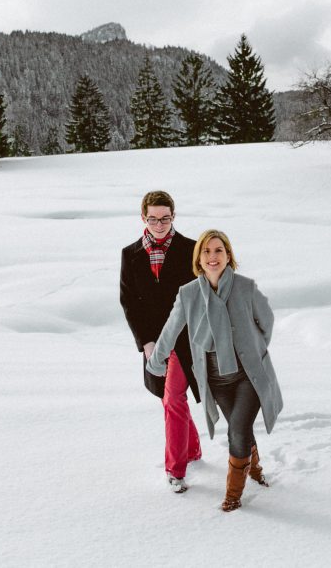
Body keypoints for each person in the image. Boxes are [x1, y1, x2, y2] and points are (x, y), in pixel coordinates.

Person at [146, 229, 283, 512]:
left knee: (237, 430)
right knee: (239, 427)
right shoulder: (188, 294)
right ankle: (255, 467)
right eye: (206, 251)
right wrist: (156, 361)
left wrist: (254, 350)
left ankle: (233, 496)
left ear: (228, 255)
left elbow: (266, 322)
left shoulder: (246, 288)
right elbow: (171, 330)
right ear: (198, 258)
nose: (212, 257)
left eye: (219, 250)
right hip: (216, 380)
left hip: (248, 375)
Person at [120, 191, 201, 494]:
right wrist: (146, 342)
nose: (159, 225)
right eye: (152, 219)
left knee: (173, 398)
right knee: (169, 399)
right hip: (154, 342)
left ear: (173, 216)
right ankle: (192, 449)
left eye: (165, 218)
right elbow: (129, 301)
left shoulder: (192, 249)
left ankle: (175, 470)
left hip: (185, 339)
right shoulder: (130, 254)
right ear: (143, 218)